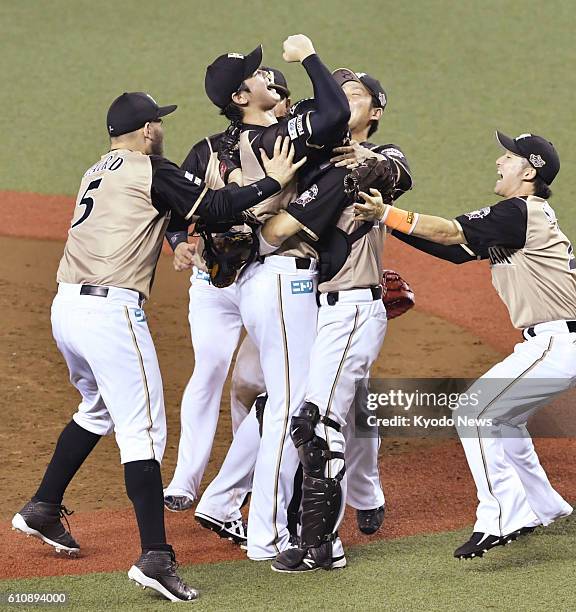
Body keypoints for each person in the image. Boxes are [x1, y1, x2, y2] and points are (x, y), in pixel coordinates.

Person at [10, 90, 301, 602]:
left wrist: (177, 241)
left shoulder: (97, 169)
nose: (163, 130)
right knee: (143, 431)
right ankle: (155, 557)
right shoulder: (150, 166)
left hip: (67, 309)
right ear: (147, 130)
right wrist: (272, 182)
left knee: (97, 407)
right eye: (159, 123)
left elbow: (161, 215)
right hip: (109, 314)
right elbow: (214, 204)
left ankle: (43, 506)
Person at [353, 131, 576, 560]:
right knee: (504, 420)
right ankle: (542, 504)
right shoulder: (518, 217)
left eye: (508, 156)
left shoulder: (520, 211)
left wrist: (387, 212)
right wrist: (382, 220)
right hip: (557, 341)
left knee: (474, 412)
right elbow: (456, 250)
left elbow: (449, 232)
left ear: (529, 170)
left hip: (558, 343)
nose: (499, 162)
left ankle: (502, 515)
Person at [196, 69, 413, 549]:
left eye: (353, 94)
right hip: (303, 296)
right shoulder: (311, 162)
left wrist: (365, 161)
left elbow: (399, 173)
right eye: (337, 92)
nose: (341, 98)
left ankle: (356, 494)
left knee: (330, 404)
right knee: (302, 406)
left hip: (344, 304)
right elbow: (272, 227)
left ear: (375, 112)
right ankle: (288, 525)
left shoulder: (383, 156)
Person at [162, 66, 295, 516]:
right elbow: (178, 213)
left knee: (254, 382)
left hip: (268, 277)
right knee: (210, 368)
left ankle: (254, 471)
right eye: (270, 87)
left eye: (282, 89)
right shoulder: (205, 152)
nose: (279, 96)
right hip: (215, 281)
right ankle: (185, 480)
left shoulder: (294, 146)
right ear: (242, 97)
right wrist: (180, 244)